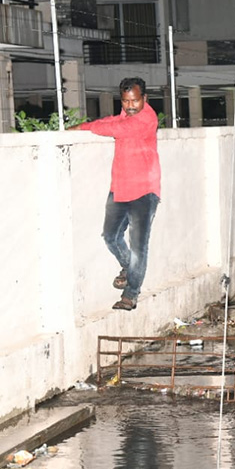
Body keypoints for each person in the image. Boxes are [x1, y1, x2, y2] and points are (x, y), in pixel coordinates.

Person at [69, 77, 161, 311]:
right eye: (126, 101)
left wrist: (87, 127)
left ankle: (130, 295)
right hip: (119, 188)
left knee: (139, 247)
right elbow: (111, 121)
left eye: (135, 101)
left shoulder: (146, 119)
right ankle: (127, 267)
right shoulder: (125, 115)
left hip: (144, 191)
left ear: (145, 99)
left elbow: (115, 129)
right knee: (110, 236)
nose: (130, 106)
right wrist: (81, 127)